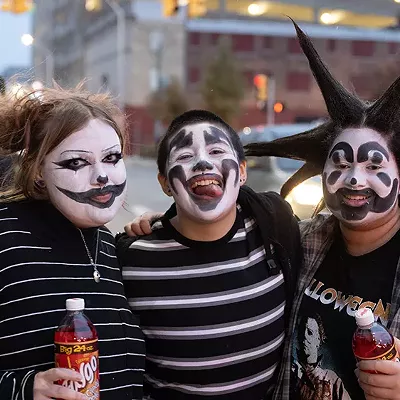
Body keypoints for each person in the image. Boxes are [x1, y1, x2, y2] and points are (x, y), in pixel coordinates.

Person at [245, 21, 400, 400]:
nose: (354, 179)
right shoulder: (303, 239)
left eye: (374, 167)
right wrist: (156, 225)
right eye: (341, 163)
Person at [117, 109, 302, 399]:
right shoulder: (131, 261)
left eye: (217, 150)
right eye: (185, 157)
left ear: (242, 172)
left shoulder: (276, 230)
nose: (203, 162)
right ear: (165, 183)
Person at [0, 86, 145, 400]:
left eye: (112, 158)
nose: (102, 176)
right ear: (38, 170)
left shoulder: (107, 244)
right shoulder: (5, 234)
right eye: (77, 163)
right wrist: (20, 389)